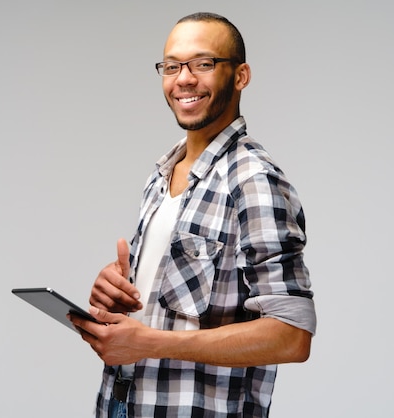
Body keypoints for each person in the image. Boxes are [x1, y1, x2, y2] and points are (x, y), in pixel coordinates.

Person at [69, 12, 317, 418]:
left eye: (203, 64)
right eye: (171, 66)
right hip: (123, 401)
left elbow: (291, 335)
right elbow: (173, 299)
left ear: (241, 76)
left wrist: (149, 342)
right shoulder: (162, 173)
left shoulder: (253, 180)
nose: (183, 79)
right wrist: (120, 291)